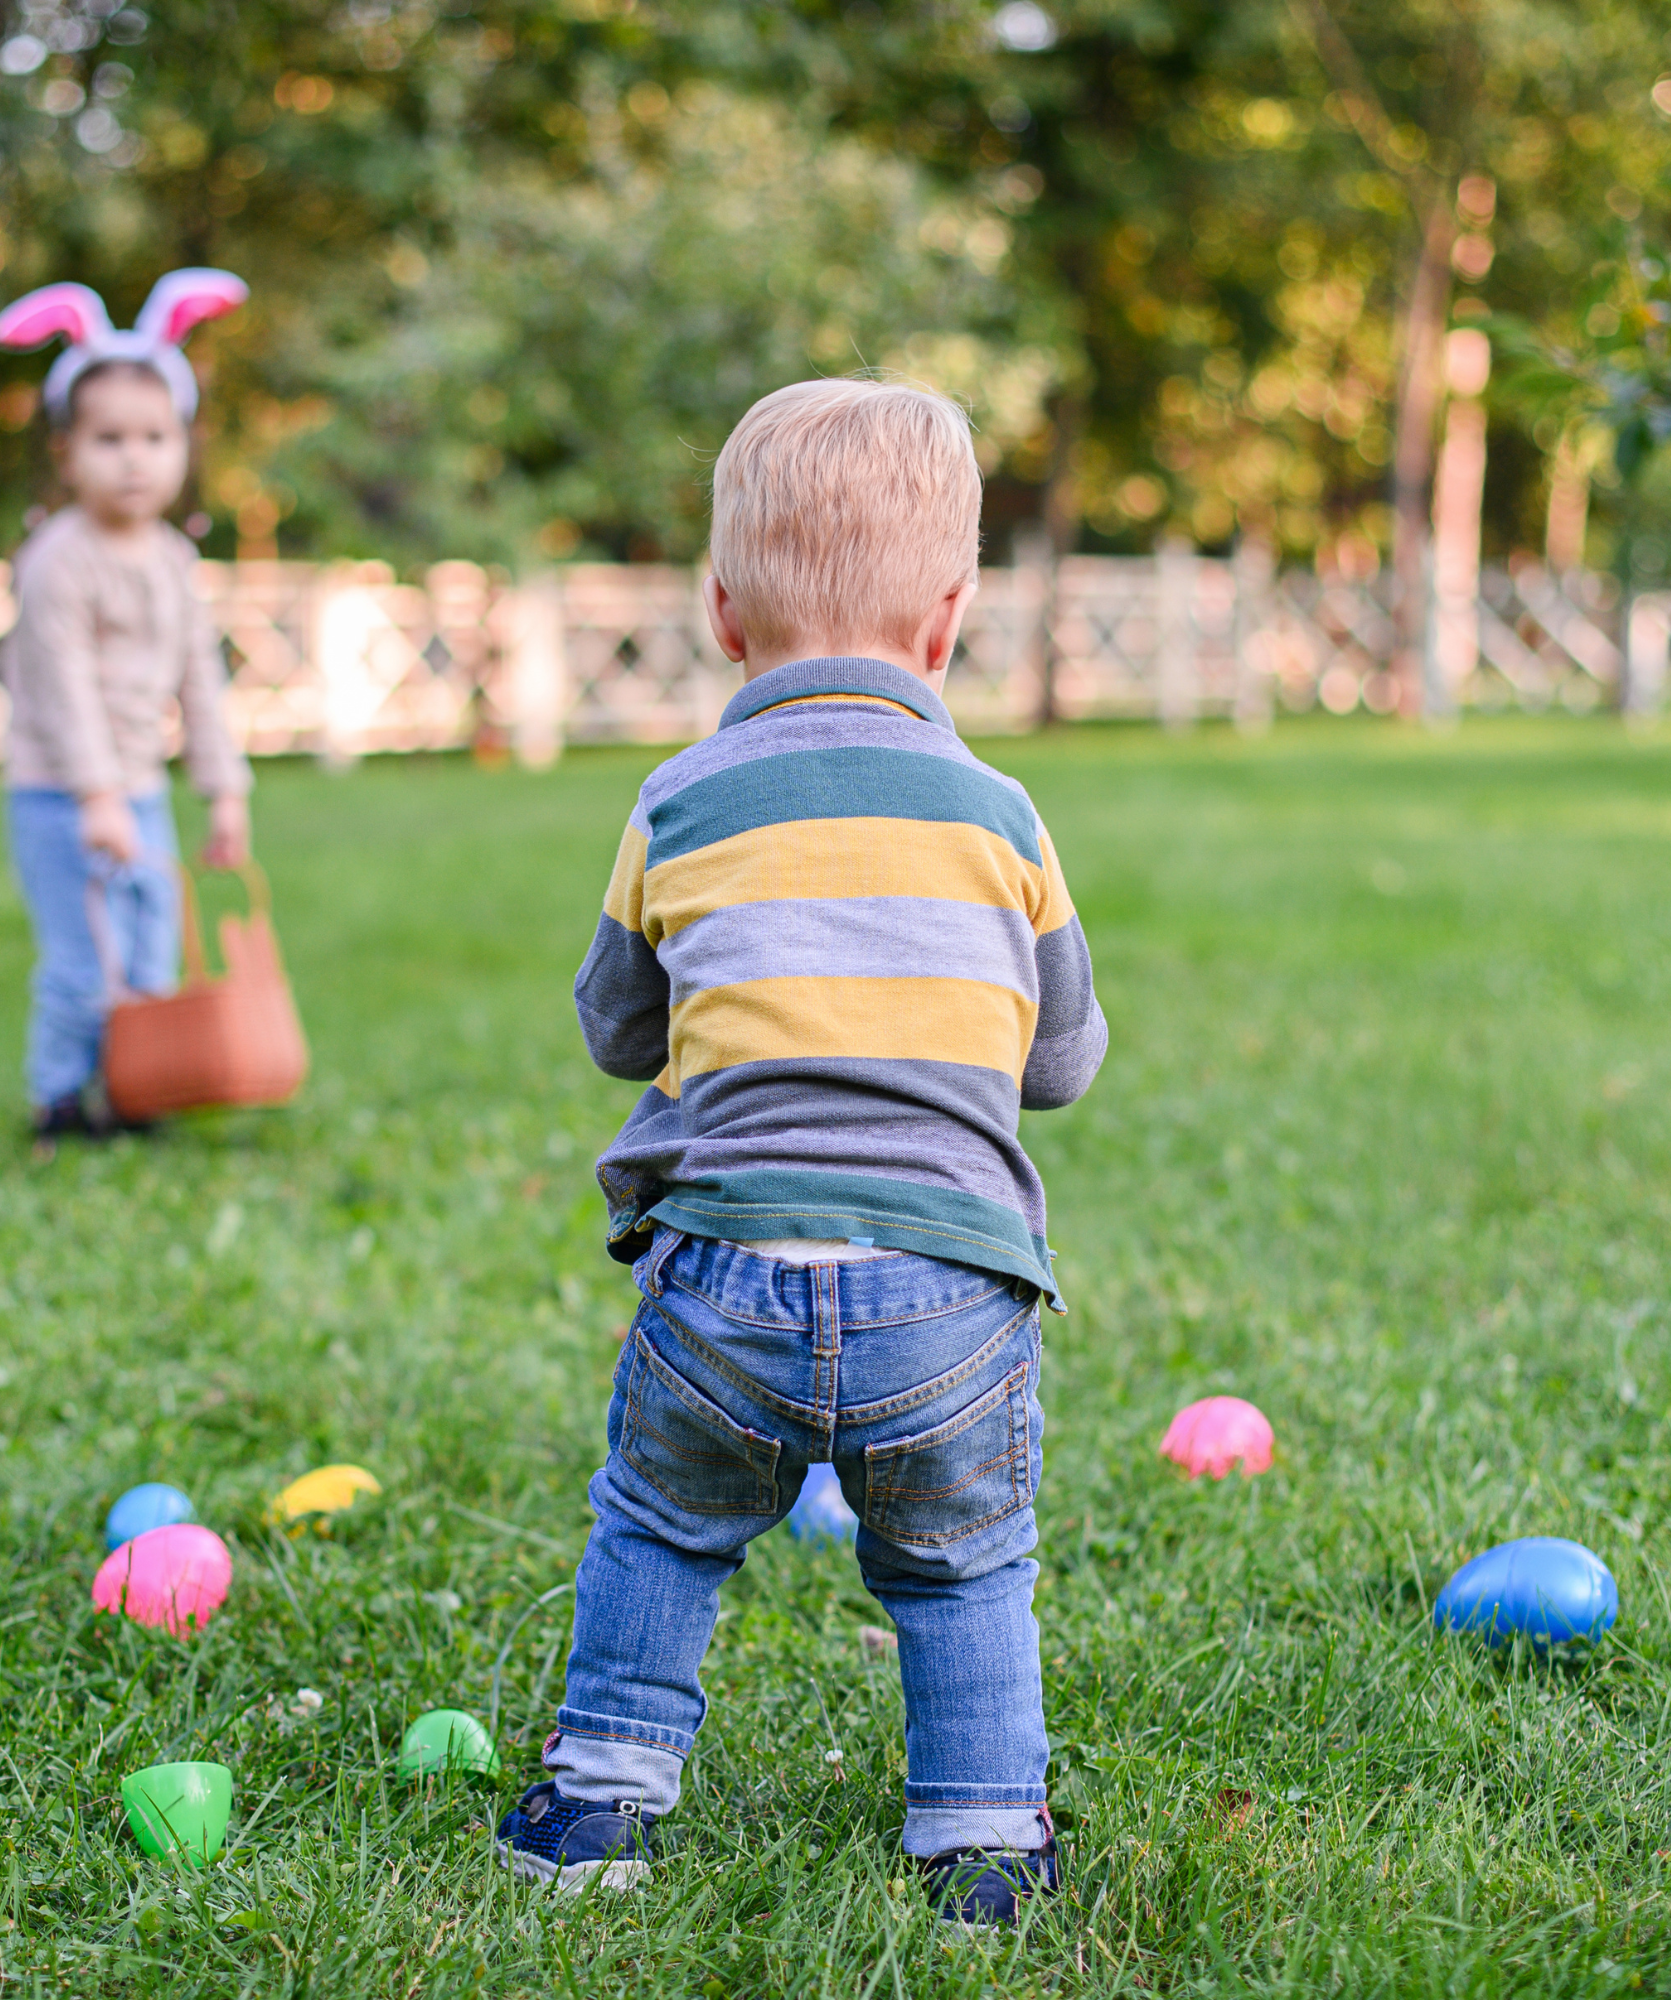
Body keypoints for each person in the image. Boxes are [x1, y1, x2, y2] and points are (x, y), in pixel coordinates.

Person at [499, 378, 1109, 1929]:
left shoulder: (685, 800)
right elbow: (1063, 1061)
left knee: (660, 1523)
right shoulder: (1003, 820)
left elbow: (617, 1030)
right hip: (951, 1299)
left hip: (727, 1283)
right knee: (965, 1565)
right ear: (950, 619)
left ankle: (598, 1805)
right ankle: (981, 1844)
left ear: (719, 611)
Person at [0, 271, 254, 1141]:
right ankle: (57, 1102)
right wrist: (95, 797)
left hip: (138, 792)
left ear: (182, 445)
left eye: (153, 437)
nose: (134, 458)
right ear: (66, 453)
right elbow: (59, 693)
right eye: (108, 439)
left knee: (147, 952)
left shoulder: (174, 560)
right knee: (83, 961)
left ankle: (133, 1091)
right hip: (60, 795)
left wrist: (223, 792)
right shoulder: (58, 560)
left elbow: (198, 681)